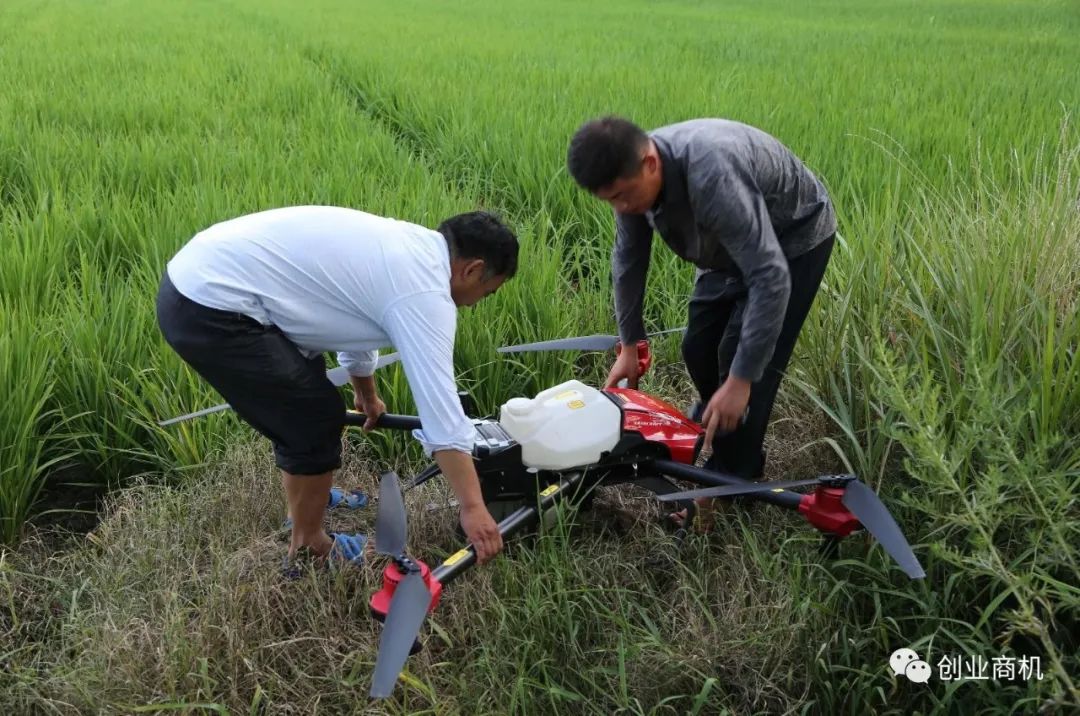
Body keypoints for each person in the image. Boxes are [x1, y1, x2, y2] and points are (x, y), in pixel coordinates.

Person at [156, 206, 517, 565]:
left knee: (302, 394)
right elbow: (442, 416)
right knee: (312, 417)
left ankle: (312, 496)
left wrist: (366, 394)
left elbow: (351, 311)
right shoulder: (426, 296)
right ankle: (309, 543)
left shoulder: (410, 247)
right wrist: (473, 507)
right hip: (208, 304)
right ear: (473, 270)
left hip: (203, 272)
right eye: (487, 293)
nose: (475, 305)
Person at [566, 116, 836, 526]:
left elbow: (769, 275)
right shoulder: (634, 183)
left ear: (650, 163)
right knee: (697, 345)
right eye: (610, 201)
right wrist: (630, 343)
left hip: (790, 242)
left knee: (741, 362)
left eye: (622, 196)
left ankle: (730, 479)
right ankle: (727, 425)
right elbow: (628, 260)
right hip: (722, 243)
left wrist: (741, 380)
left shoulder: (710, 176)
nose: (621, 208)